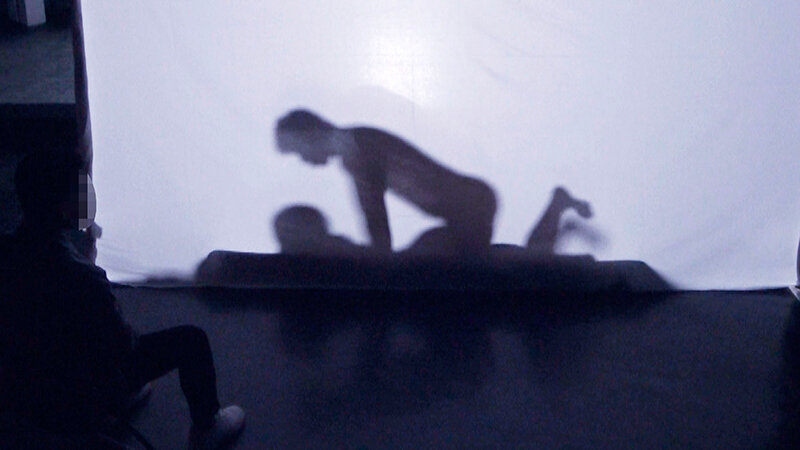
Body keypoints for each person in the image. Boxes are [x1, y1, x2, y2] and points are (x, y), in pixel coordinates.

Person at [0, 150, 244, 449]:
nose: (89, 197)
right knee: (191, 340)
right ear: (64, 205)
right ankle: (208, 425)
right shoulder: (84, 279)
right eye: (82, 190)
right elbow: (123, 346)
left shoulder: (7, 253)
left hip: (22, 391)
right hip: (79, 397)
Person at [275, 109, 497, 255]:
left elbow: (374, 214)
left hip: (471, 209)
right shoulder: (355, 140)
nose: (303, 159)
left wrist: (378, 259)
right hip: (473, 204)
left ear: (309, 135)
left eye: (298, 150)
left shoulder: (353, 146)